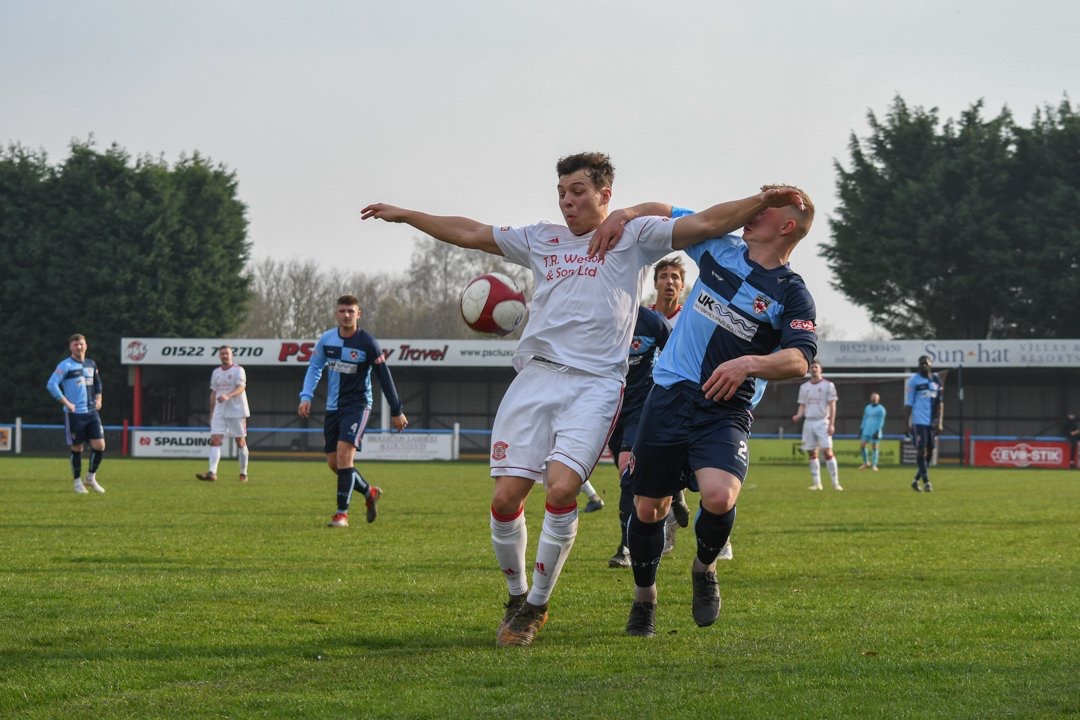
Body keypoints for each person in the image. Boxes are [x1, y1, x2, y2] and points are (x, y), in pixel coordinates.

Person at [362, 152, 806, 647]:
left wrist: (758, 201)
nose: (566, 201)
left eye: (577, 191)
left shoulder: (634, 237)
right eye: (561, 193)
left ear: (604, 195)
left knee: (560, 490)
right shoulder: (540, 237)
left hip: (595, 384)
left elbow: (705, 223)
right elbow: (471, 232)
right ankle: (516, 594)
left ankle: (536, 607)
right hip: (535, 379)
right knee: (505, 498)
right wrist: (408, 215)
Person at [604, 185, 817, 638]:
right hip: (669, 396)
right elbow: (669, 211)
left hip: (725, 408)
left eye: (764, 209)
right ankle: (645, 599)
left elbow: (800, 359)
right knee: (648, 509)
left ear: (786, 226)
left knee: (720, 497)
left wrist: (749, 364)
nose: (751, 213)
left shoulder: (792, 294)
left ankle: (704, 569)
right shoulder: (720, 248)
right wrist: (627, 211)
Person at [298, 294, 408, 527]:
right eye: (342, 311)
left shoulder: (368, 343)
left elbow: (384, 377)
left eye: (351, 311)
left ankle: (342, 515)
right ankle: (369, 492)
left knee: (344, 456)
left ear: (359, 314)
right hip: (333, 407)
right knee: (334, 463)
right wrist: (306, 396)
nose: (346, 315)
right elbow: (315, 367)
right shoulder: (327, 340)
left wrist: (397, 410)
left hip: (358, 406)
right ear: (336, 313)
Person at [607, 304, 671, 568]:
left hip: (640, 409)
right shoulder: (602, 317)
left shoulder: (654, 323)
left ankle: (625, 547)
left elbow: (675, 358)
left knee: (627, 471)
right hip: (609, 408)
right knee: (628, 478)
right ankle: (672, 492)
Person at [46, 334, 106, 494]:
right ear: (70, 347)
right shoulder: (65, 365)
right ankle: (77, 482)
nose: (79, 347)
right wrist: (66, 403)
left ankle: (90, 478)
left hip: (92, 412)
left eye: (81, 344)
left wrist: (99, 399)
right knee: (77, 447)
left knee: (100, 446)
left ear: (86, 346)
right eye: (75, 344)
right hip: (75, 414)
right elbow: (51, 384)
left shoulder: (91, 364)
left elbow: (98, 383)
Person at [196, 344, 251, 482]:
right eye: (222, 354)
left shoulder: (239, 370)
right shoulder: (216, 372)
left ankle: (243, 473)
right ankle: (212, 473)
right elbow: (214, 393)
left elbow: (241, 387)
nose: (224, 356)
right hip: (220, 411)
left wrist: (228, 395)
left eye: (227, 353)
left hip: (237, 410)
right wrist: (211, 413)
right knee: (215, 439)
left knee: (240, 442)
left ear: (231, 355)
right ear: (219, 356)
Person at [792, 361, 842, 491]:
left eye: (816, 367)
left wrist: (831, 424)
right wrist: (798, 415)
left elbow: (832, 405)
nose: (814, 369)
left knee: (827, 451)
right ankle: (817, 483)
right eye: (812, 367)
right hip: (809, 422)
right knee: (811, 452)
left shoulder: (828, 385)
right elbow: (802, 404)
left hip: (822, 422)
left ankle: (835, 483)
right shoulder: (804, 387)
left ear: (821, 369)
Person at [905, 355, 943, 492]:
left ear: (930, 364)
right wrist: (906, 423)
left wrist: (940, 422)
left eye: (926, 363)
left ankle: (916, 480)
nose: (924, 365)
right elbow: (908, 404)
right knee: (921, 450)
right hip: (918, 421)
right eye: (921, 363)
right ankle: (927, 482)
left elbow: (940, 403)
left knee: (930, 451)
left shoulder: (937, 379)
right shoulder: (913, 381)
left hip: (932, 422)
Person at [858, 393, 887, 471]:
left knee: (875, 447)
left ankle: (874, 465)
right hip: (866, 429)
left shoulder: (881, 409)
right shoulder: (867, 407)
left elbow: (881, 421)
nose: (874, 399)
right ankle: (866, 463)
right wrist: (861, 428)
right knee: (862, 445)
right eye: (873, 397)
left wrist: (878, 431)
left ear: (878, 399)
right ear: (871, 398)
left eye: (876, 397)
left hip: (875, 430)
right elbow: (864, 418)